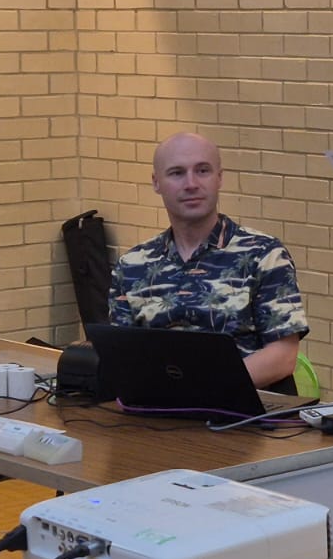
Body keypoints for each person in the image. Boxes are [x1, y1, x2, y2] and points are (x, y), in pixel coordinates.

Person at [109, 131, 307, 390]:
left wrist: (201, 390)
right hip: (158, 407)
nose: (191, 183)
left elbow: (283, 356)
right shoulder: (132, 266)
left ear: (219, 178)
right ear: (156, 183)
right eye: (177, 173)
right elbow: (122, 355)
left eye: (202, 171)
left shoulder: (263, 254)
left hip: (242, 408)